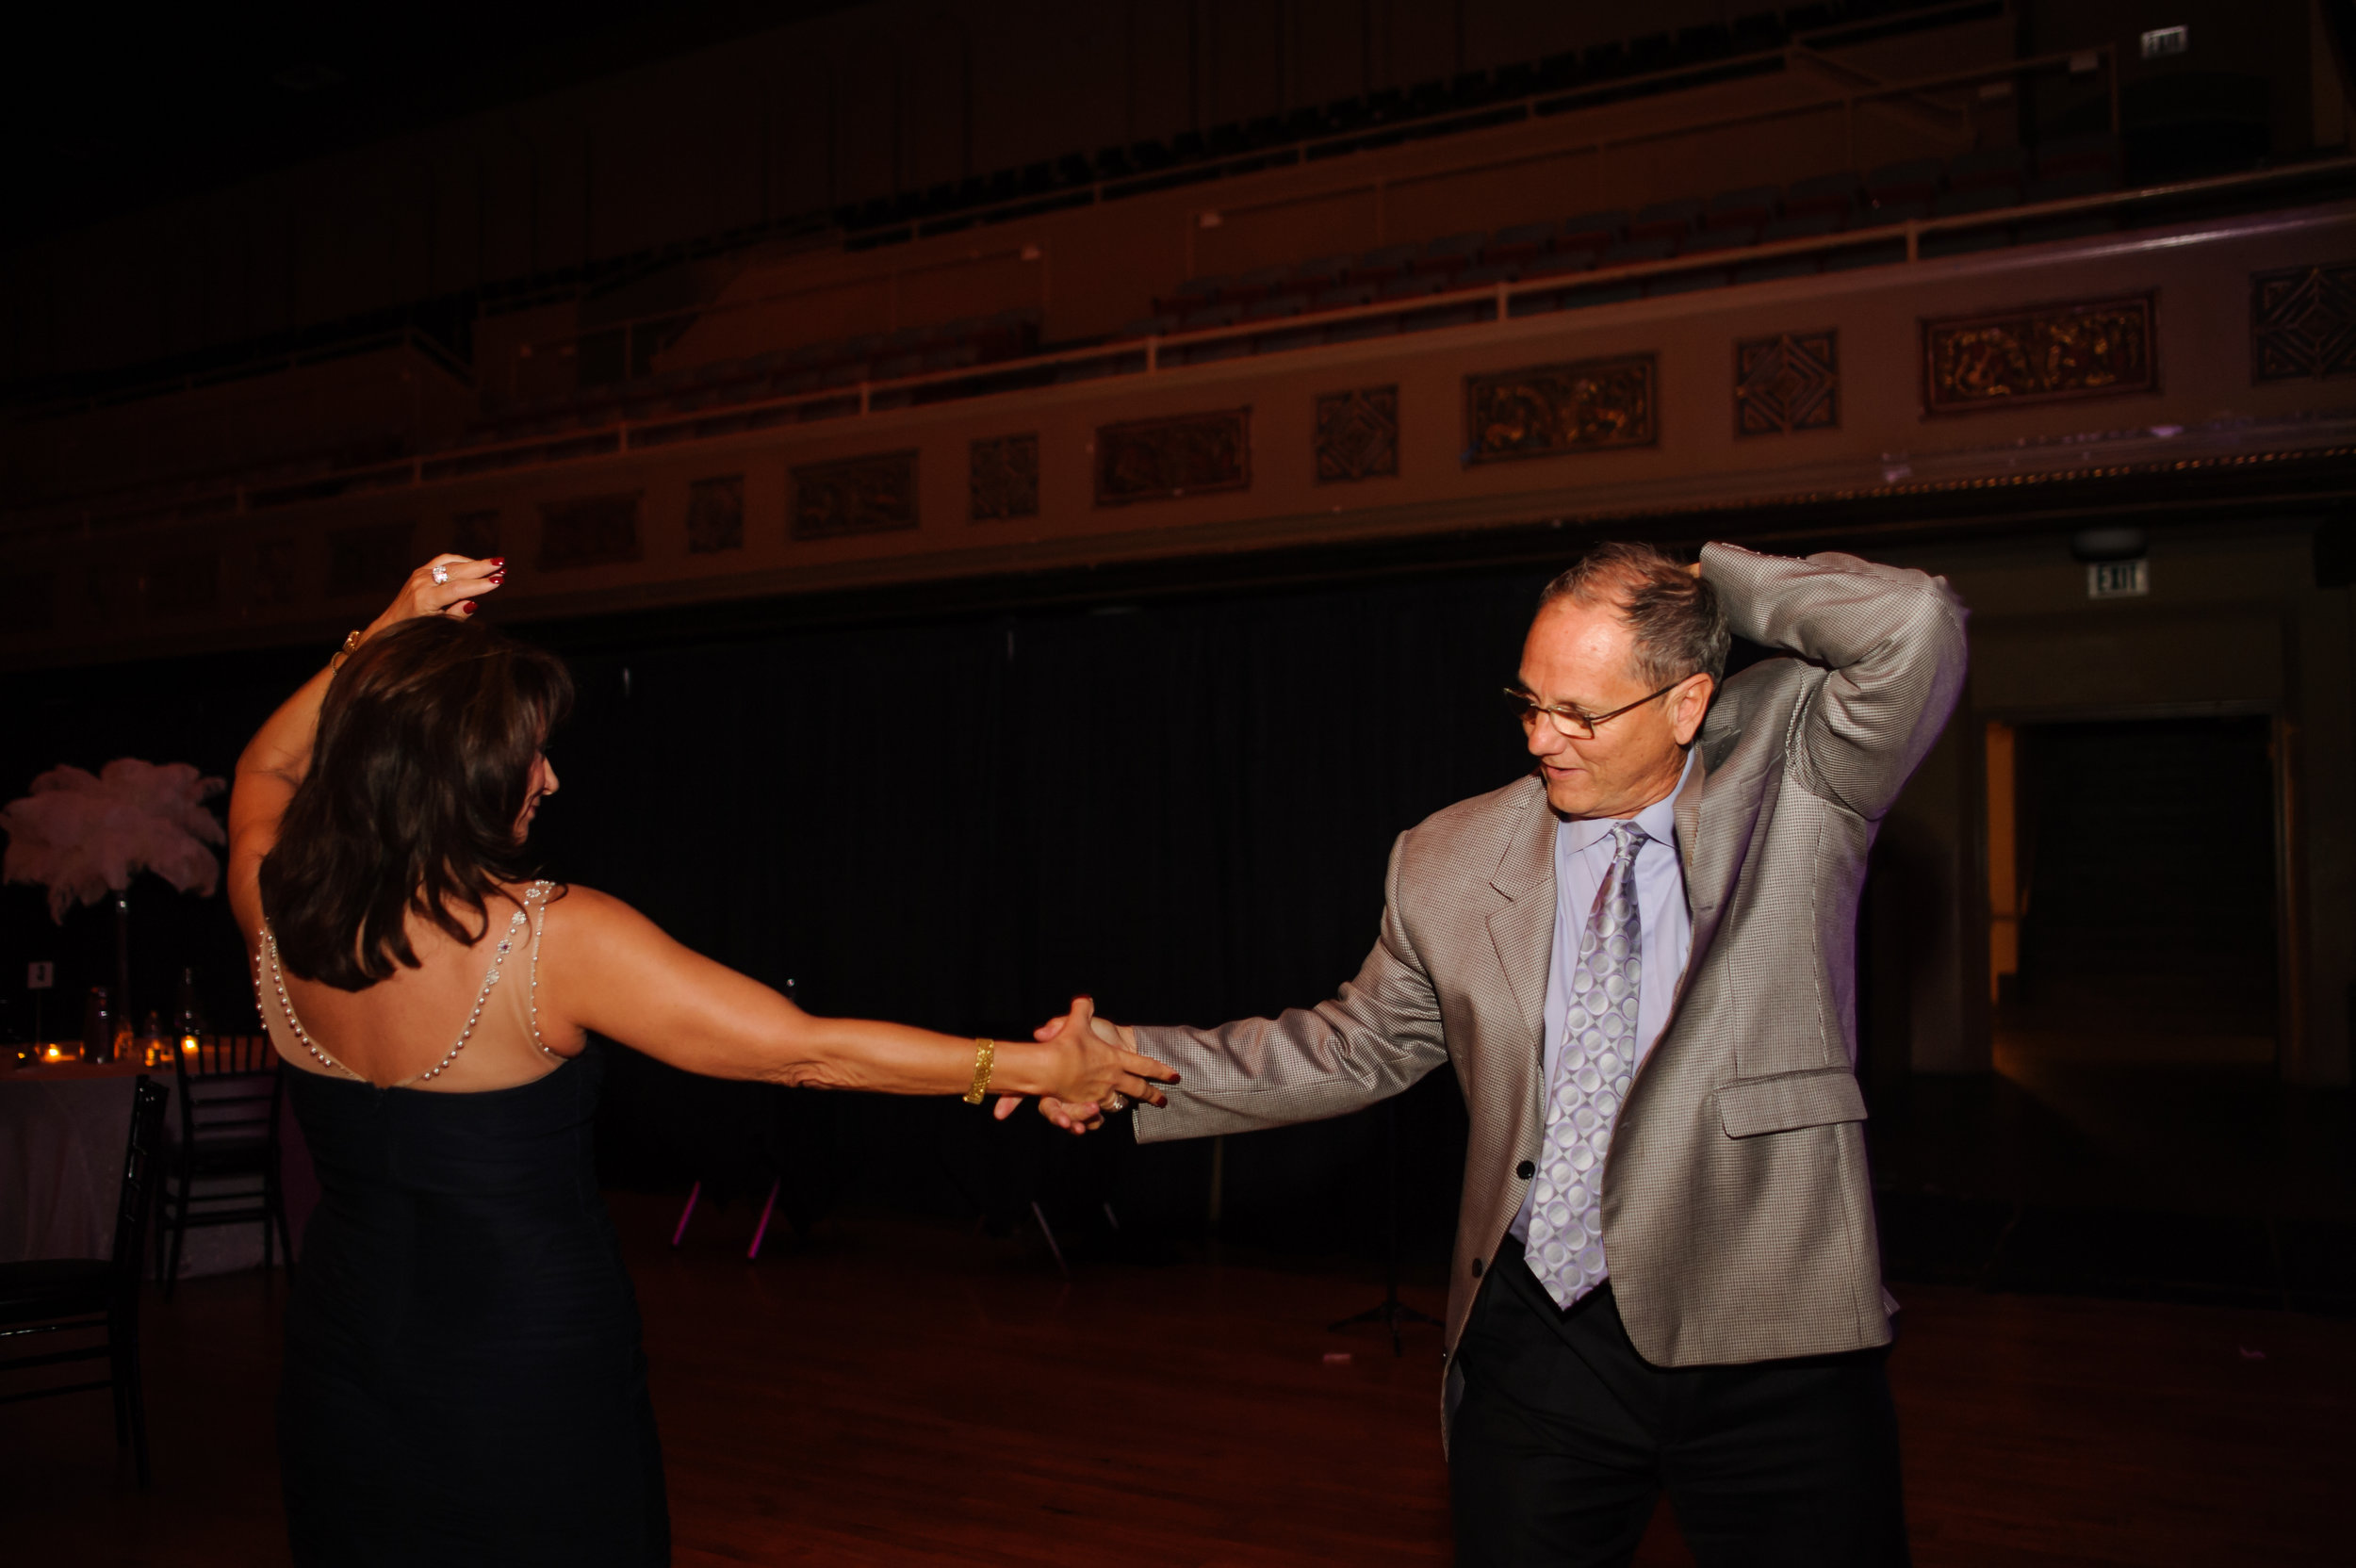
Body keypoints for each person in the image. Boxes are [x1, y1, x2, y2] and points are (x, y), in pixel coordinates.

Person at [1027, 541, 1966, 1565]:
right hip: (1541, 1332)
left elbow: (1911, 620)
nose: (1541, 738)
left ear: (1687, 702)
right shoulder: (1446, 855)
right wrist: (1127, 1062)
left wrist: (1704, 582)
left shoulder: (1797, 780)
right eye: (1528, 702)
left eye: (1580, 713)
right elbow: (1352, 1043)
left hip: (1771, 1336)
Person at [226, 555, 1173, 1567]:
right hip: (524, 1357)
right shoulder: (550, 938)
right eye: (528, 756)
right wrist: (1044, 1070)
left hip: (345, 1343)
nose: (550, 777)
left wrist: (385, 632)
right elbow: (807, 1053)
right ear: (457, 774)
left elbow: (263, 771)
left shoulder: (274, 902)